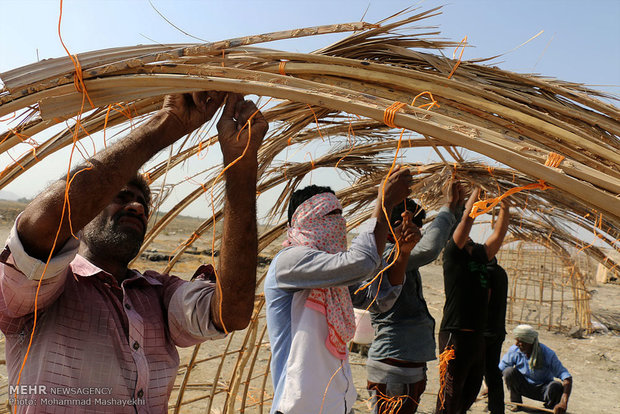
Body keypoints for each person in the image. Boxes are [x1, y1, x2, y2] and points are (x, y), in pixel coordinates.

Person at [0, 92, 268, 412]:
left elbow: (232, 312)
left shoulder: (158, 293)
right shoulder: (43, 291)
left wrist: (241, 164)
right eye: (120, 196)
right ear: (86, 215)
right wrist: (168, 124)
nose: (138, 206)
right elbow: (42, 226)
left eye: (143, 202)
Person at [264, 166, 413, 414]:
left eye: (340, 215)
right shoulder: (290, 261)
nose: (339, 223)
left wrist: (402, 256)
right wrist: (383, 204)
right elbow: (362, 263)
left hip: (336, 403)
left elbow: (378, 300)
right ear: (305, 220)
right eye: (330, 216)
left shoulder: (331, 273)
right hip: (297, 407)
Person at [360, 180, 466, 414]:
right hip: (394, 366)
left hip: (406, 366)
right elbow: (429, 248)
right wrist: (449, 207)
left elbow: (436, 240)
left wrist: (457, 209)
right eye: (416, 230)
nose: (419, 237)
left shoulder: (404, 259)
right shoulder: (389, 255)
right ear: (400, 226)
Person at [435, 190, 510, 414]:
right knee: (449, 397)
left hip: (477, 338)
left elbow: (499, 234)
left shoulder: (479, 255)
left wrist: (505, 206)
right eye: (465, 237)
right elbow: (467, 219)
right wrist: (476, 195)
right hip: (454, 335)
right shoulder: (452, 256)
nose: (469, 238)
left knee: (468, 395)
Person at [499, 325, 572, 414]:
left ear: (529, 342)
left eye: (520, 341)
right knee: (508, 371)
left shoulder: (547, 353)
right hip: (524, 386)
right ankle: (516, 403)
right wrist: (490, 387)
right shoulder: (515, 350)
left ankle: (550, 408)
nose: (516, 344)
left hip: (543, 390)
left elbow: (567, 378)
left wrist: (563, 402)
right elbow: (501, 369)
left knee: (556, 386)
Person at [483, 258, 509, 414]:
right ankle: (496, 408)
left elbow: (485, 297)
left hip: (485, 331)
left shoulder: (487, 272)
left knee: (474, 370)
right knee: (492, 371)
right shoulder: (501, 272)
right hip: (498, 330)